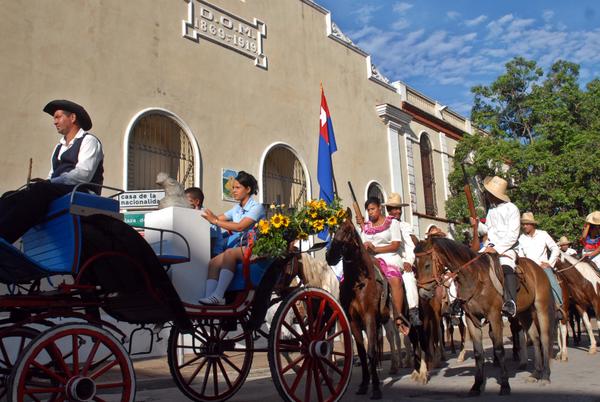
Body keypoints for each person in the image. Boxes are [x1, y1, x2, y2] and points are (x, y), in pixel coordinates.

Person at [0, 100, 103, 244]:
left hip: (82, 190)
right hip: (60, 189)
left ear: (72, 118)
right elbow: (52, 175)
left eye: (58, 117)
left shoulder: (89, 140)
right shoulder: (58, 147)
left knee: (40, 189)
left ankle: (6, 236)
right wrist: (47, 182)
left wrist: (49, 183)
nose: (55, 122)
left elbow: (83, 174)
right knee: (10, 196)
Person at [198, 171, 265, 305]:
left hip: (255, 246)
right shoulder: (236, 208)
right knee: (213, 262)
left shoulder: (257, 208)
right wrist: (200, 212)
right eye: (233, 188)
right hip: (241, 247)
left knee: (229, 253)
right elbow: (217, 218)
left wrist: (215, 221)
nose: (233, 191)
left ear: (248, 189)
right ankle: (209, 297)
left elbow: (240, 227)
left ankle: (218, 296)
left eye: (237, 188)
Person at [363, 195, 421, 327]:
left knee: (408, 279)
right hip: (377, 258)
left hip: (399, 259)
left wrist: (409, 261)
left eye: (399, 209)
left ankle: (413, 310)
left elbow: (410, 246)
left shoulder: (404, 226)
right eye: (394, 209)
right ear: (388, 209)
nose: (398, 211)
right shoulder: (368, 226)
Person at [475, 176, 520, 318]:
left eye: (488, 193)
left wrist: (497, 249)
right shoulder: (492, 211)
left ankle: (511, 302)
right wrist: (476, 224)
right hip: (490, 246)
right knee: (471, 263)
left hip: (508, 248)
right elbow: (487, 230)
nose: (487, 195)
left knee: (506, 267)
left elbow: (513, 235)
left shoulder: (512, 208)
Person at [517, 212, 563, 316]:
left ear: (533, 225)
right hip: (528, 269)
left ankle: (558, 306)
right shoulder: (521, 239)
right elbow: (520, 256)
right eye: (523, 224)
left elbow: (555, 248)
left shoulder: (543, 234)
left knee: (553, 283)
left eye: (527, 224)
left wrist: (549, 263)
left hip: (543, 267)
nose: (524, 226)